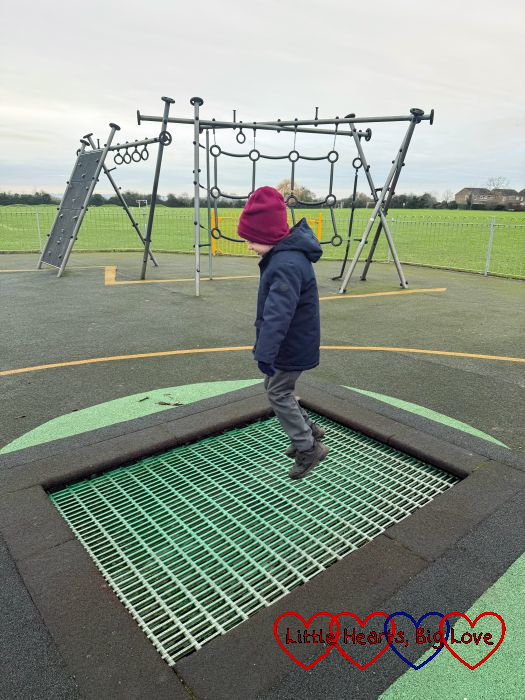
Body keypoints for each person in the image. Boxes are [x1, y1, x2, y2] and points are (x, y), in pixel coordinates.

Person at [237, 186, 330, 480]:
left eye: (252, 239)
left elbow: (278, 315)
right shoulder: (285, 256)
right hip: (292, 344)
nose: (249, 246)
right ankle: (308, 429)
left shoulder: (285, 264)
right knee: (276, 389)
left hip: (290, 347)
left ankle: (308, 447)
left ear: (268, 236)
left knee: (277, 392)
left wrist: (265, 353)